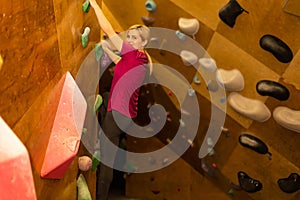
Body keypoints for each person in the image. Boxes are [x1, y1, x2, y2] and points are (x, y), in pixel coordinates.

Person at [89, 0, 152, 199]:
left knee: (107, 158)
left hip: (117, 115)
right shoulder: (139, 59)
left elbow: (107, 28)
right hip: (125, 116)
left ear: (143, 43)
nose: (130, 40)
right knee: (106, 96)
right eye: (129, 36)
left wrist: (95, 5)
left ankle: (100, 195)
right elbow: (120, 63)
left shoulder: (133, 54)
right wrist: (106, 50)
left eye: (135, 38)